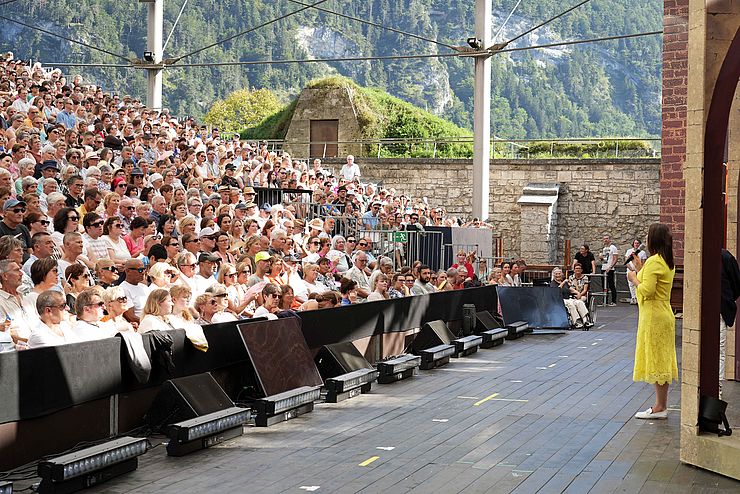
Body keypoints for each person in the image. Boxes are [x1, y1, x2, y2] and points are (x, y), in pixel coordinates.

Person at [627, 223, 677, 420]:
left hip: (654, 315)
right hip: (662, 312)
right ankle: (660, 404)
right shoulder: (665, 260)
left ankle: (659, 406)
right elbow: (652, 283)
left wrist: (633, 277)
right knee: (661, 358)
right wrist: (641, 269)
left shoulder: (655, 261)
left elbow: (647, 290)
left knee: (657, 359)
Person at [719, 249, 740, 397]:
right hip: (713, 308)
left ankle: (717, 387)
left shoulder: (725, 257)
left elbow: (737, 284)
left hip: (720, 310)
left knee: (720, 349)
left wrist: (726, 298)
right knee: (719, 350)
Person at [625, 239, 647, 305]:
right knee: (631, 284)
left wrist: (639, 269)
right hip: (630, 269)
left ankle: (638, 298)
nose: (636, 244)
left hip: (638, 270)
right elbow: (626, 260)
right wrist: (631, 268)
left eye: (638, 243)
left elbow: (643, 262)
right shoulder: (629, 251)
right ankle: (633, 297)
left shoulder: (642, 253)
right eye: (635, 243)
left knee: (637, 283)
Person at [600, 235, 619, 306]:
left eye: (607, 239)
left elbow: (615, 258)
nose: (605, 240)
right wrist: (601, 258)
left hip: (610, 269)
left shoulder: (613, 248)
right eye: (604, 239)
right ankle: (605, 301)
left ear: (610, 240)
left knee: (611, 285)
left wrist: (610, 267)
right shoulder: (604, 248)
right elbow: (605, 259)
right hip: (603, 267)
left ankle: (614, 301)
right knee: (604, 285)